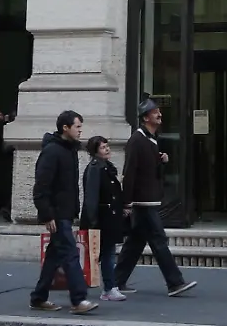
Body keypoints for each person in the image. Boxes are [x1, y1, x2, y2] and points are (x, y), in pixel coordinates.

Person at [114, 97, 197, 297]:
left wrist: (162, 161)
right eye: (155, 112)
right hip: (143, 202)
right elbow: (130, 172)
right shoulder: (137, 140)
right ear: (145, 117)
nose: (159, 114)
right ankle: (175, 283)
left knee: (135, 242)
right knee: (158, 240)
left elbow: (149, 170)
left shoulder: (151, 139)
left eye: (159, 111)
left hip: (149, 199)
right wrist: (127, 201)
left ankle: (115, 281)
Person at [29, 110, 98, 315]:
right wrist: (47, 214)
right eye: (77, 126)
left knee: (54, 255)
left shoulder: (70, 150)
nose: (80, 130)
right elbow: (41, 186)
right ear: (65, 128)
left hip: (65, 211)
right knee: (69, 253)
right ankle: (79, 299)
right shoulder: (52, 151)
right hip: (57, 214)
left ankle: (38, 297)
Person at [80, 135, 128, 302]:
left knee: (105, 253)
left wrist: (122, 208)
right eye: (102, 147)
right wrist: (93, 222)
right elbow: (91, 198)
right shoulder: (95, 168)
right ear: (95, 152)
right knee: (104, 254)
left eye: (107, 146)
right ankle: (108, 288)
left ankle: (107, 287)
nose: (107, 149)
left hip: (109, 217)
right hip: (101, 219)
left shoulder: (107, 167)